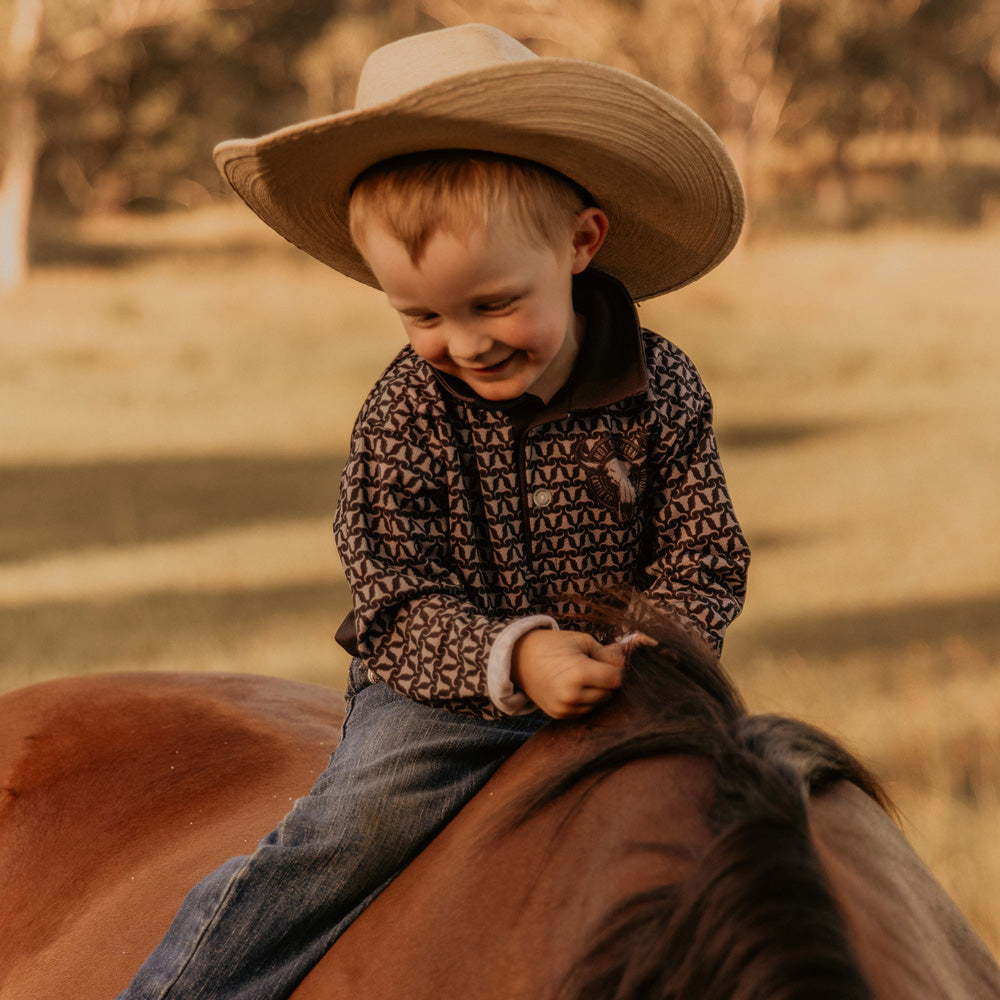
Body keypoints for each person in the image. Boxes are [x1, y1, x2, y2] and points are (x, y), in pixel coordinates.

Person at [117, 22, 749, 1000]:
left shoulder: (658, 385)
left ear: (580, 243)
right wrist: (515, 657)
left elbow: (702, 546)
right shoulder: (402, 414)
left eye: (494, 304)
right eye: (421, 316)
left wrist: (659, 647)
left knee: (760, 820)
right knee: (343, 833)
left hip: (631, 677)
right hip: (441, 698)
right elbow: (390, 596)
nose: (465, 343)